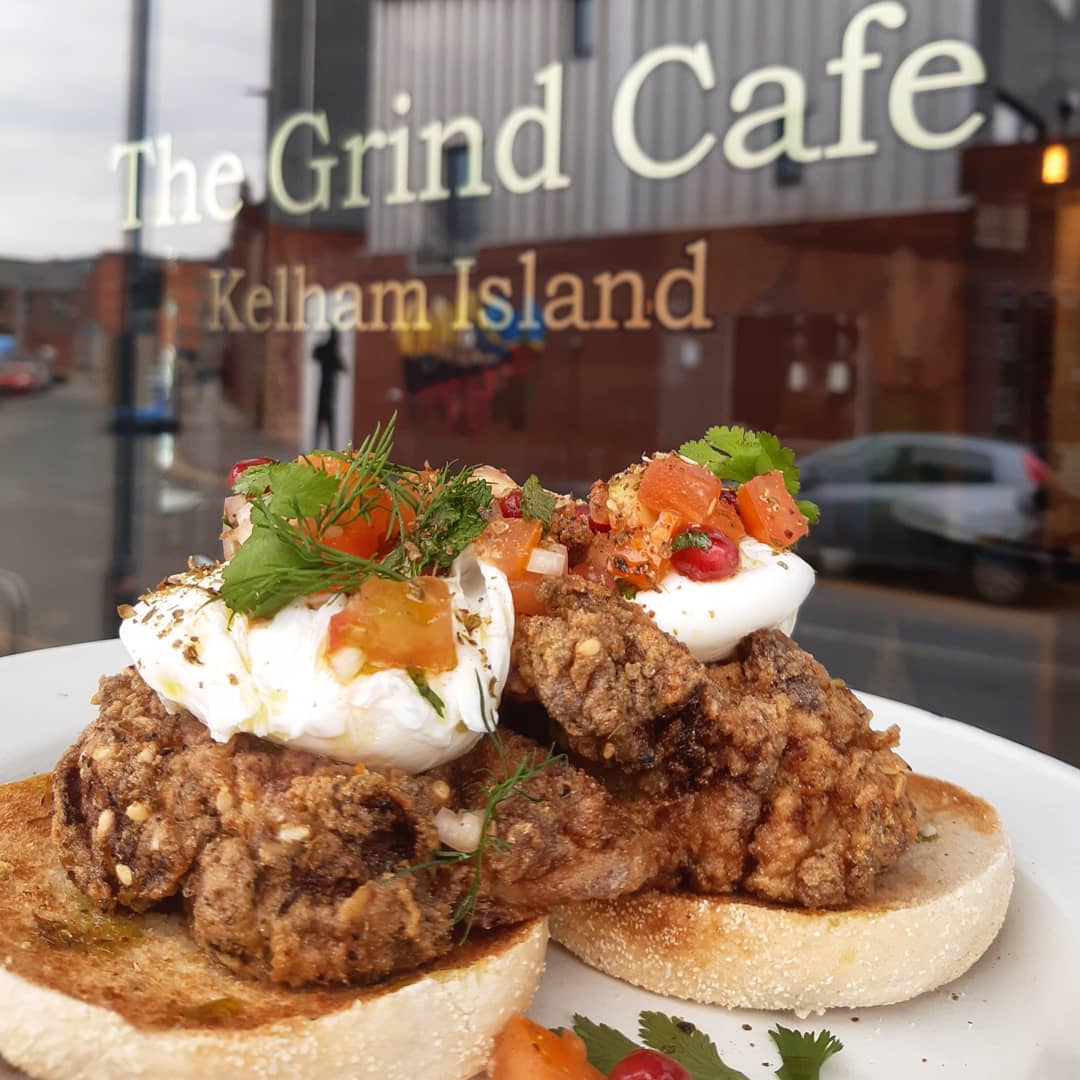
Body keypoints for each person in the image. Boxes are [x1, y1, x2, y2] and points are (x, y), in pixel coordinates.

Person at [312, 328, 346, 446]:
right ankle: (323, 448)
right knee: (325, 424)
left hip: (327, 392)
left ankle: (325, 448)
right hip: (327, 392)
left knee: (324, 425)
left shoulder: (329, 351)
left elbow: (344, 368)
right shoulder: (330, 351)